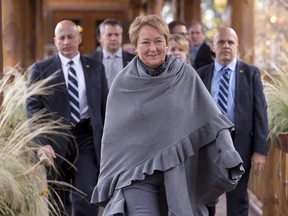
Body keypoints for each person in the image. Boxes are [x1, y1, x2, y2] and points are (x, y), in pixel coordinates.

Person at [91, 15, 244, 216]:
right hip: (135, 175)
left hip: (178, 172)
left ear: (166, 42)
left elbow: (211, 119)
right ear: (135, 46)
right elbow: (112, 138)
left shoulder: (185, 75)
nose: (153, 48)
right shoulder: (122, 84)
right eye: (145, 42)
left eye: (158, 41)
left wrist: (228, 153)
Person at [26, 20, 108, 216]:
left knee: (86, 193)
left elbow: (105, 107)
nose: (66, 42)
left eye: (70, 37)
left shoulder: (95, 67)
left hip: (86, 137)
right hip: (54, 141)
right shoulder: (41, 69)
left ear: (79, 39)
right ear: (55, 41)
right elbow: (32, 109)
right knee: (57, 199)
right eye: (61, 38)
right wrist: (41, 143)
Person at [196, 26, 268, 216]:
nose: (226, 46)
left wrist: (260, 150)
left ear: (237, 46)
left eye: (230, 42)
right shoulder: (201, 74)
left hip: (241, 143)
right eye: (221, 42)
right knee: (206, 196)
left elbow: (260, 112)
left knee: (238, 198)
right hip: (208, 144)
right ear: (213, 46)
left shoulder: (251, 73)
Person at [86, 18, 135, 88]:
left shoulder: (133, 60)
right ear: (100, 38)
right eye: (109, 35)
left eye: (117, 34)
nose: (113, 38)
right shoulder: (89, 60)